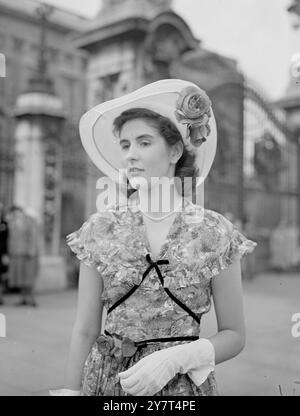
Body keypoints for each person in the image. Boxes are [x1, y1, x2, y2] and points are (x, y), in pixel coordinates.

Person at [50, 79, 257, 396]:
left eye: (144, 143)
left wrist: (177, 358)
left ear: (175, 150)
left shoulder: (215, 232)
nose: (131, 155)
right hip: (108, 384)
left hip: (182, 388)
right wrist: (69, 392)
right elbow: (85, 329)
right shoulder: (99, 228)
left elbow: (234, 334)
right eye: (125, 145)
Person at [7, 206, 39, 306]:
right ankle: (24, 299)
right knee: (21, 277)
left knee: (29, 277)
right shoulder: (13, 223)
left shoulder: (28, 223)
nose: (17, 215)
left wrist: (31, 250)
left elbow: (33, 237)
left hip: (28, 254)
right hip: (18, 254)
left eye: (19, 213)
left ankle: (31, 299)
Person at [0, 202, 9, 305]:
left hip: (1, 253)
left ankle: (0, 297)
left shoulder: (4, 224)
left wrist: (5, 254)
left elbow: (6, 240)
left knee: (1, 276)